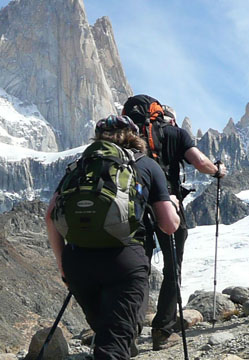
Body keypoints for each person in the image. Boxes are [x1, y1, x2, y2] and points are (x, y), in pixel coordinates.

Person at [46, 115, 182, 359]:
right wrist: (173, 204)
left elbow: (50, 215)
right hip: (123, 261)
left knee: (108, 333)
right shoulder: (146, 164)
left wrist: (62, 264)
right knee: (114, 345)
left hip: (77, 263)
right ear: (134, 136)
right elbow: (169, 226)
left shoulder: (79, 166)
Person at [142, 105, 228, 350]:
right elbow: (200, 161)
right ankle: (163, 330)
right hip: (168, 202)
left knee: (138, 267)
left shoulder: (132, 134)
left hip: (135, 206)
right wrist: (217, 171)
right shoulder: (176, 133)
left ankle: (127, 331)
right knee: (172, 266)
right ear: (171, 119)